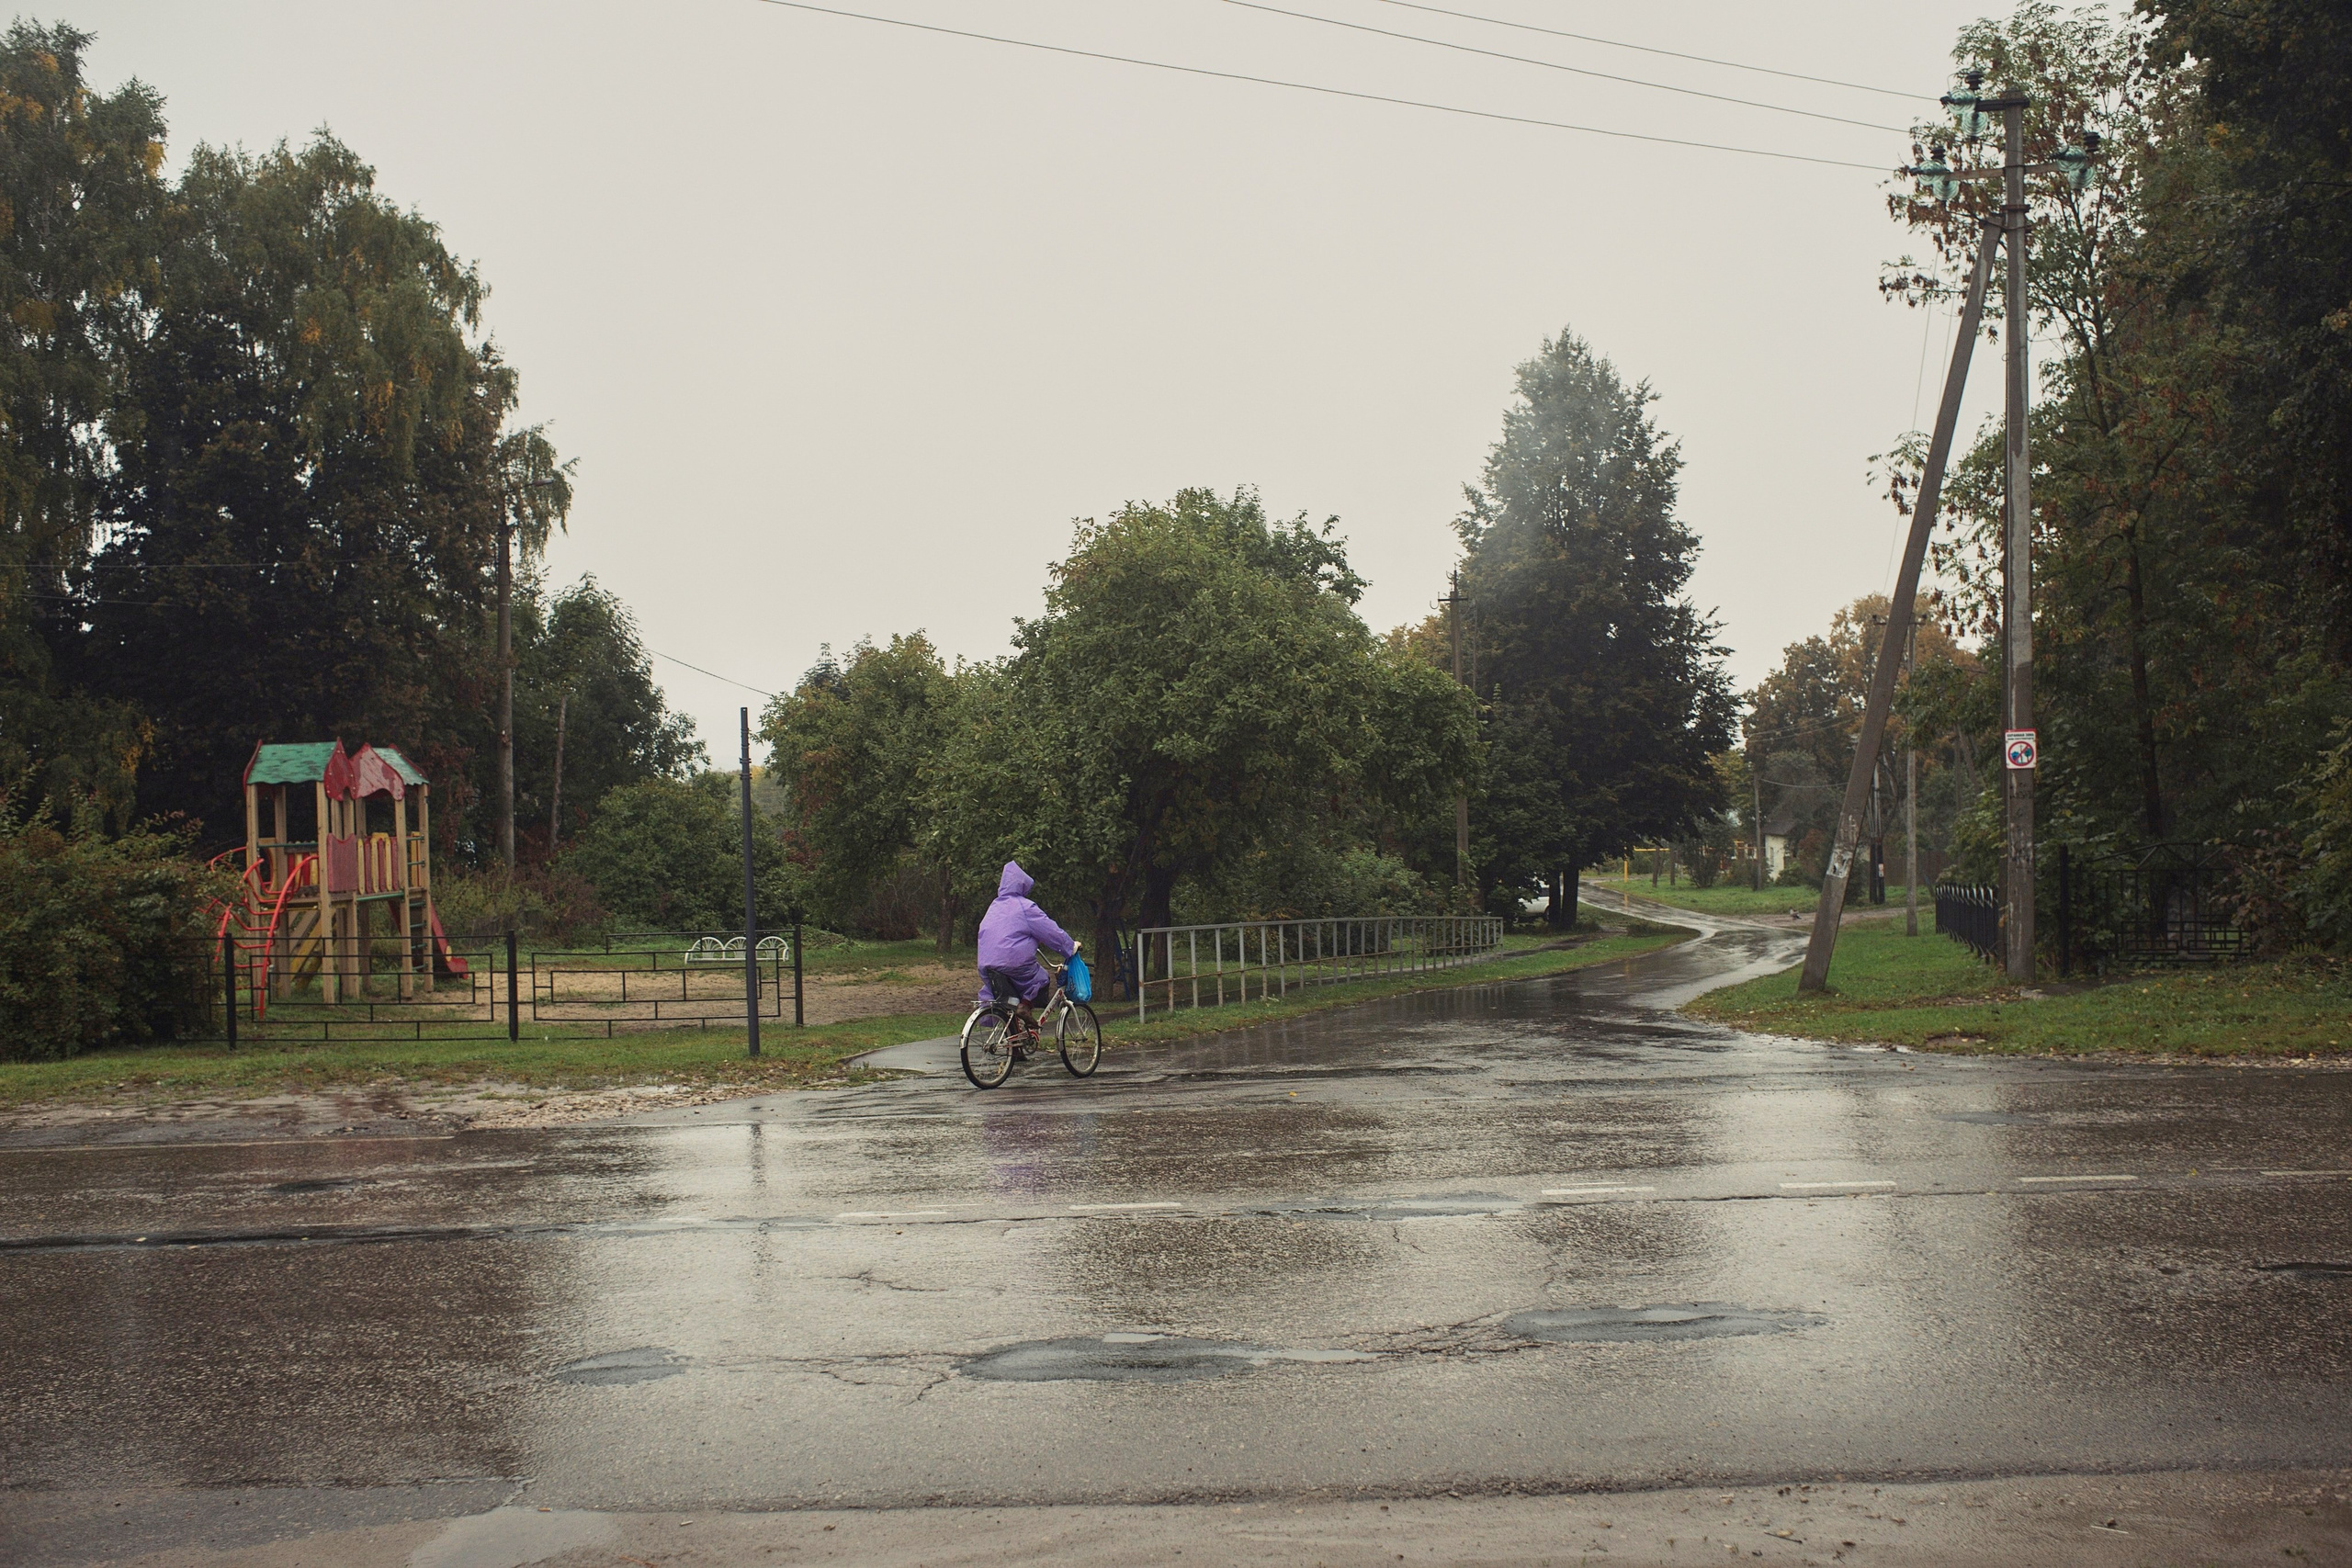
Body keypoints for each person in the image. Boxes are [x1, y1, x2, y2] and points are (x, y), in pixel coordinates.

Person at [975, 861, 1078, 1044]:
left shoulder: (994, 906)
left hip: (987, 964)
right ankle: (1025, 1007)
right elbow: (1050, 931)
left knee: (1007, 999)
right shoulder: (1025, 906)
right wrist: (1070, 946)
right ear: (1023, 885)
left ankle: (1015, 1047)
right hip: (1014, 962)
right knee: (1040, 979)